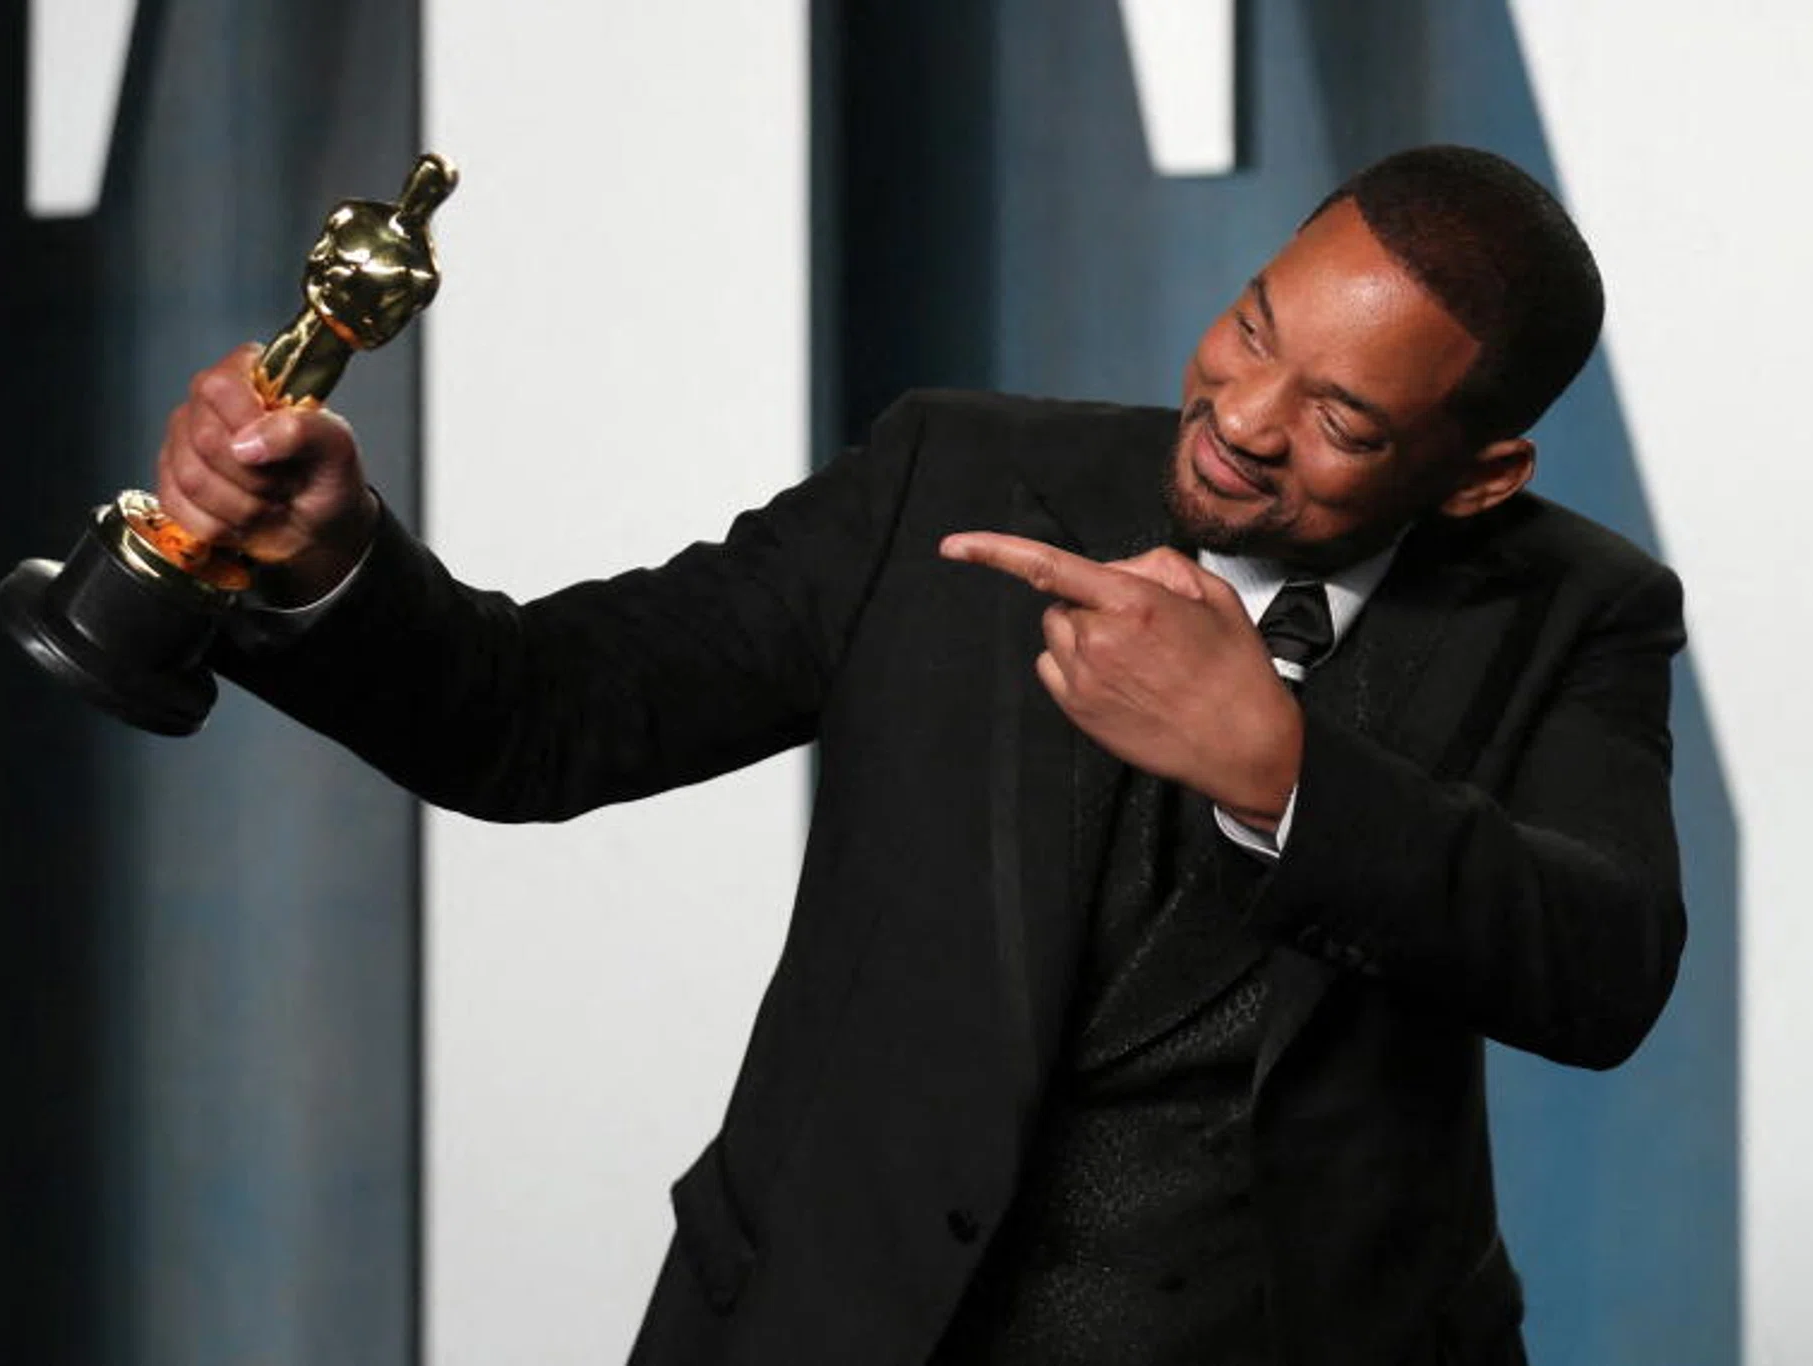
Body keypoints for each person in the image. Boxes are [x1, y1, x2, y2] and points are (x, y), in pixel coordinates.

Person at [156, 146, 1685, 1365]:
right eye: (1252, 325)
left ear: (1483, 474)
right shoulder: (954, 471)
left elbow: (1602, 967)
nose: (1242, 416)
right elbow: (540, 715)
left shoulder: (1576, 608)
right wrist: (333, 554)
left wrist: (1278, 768)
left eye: (1342, 416)